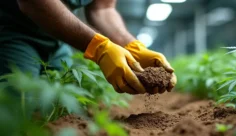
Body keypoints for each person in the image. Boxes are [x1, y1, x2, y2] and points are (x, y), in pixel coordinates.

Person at [0, 0, 176, 94]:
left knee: (63, 115)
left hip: (57, 38)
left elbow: (103, 9)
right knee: (16, 113)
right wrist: (99, 47)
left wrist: (133, 46)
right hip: (11, 31)